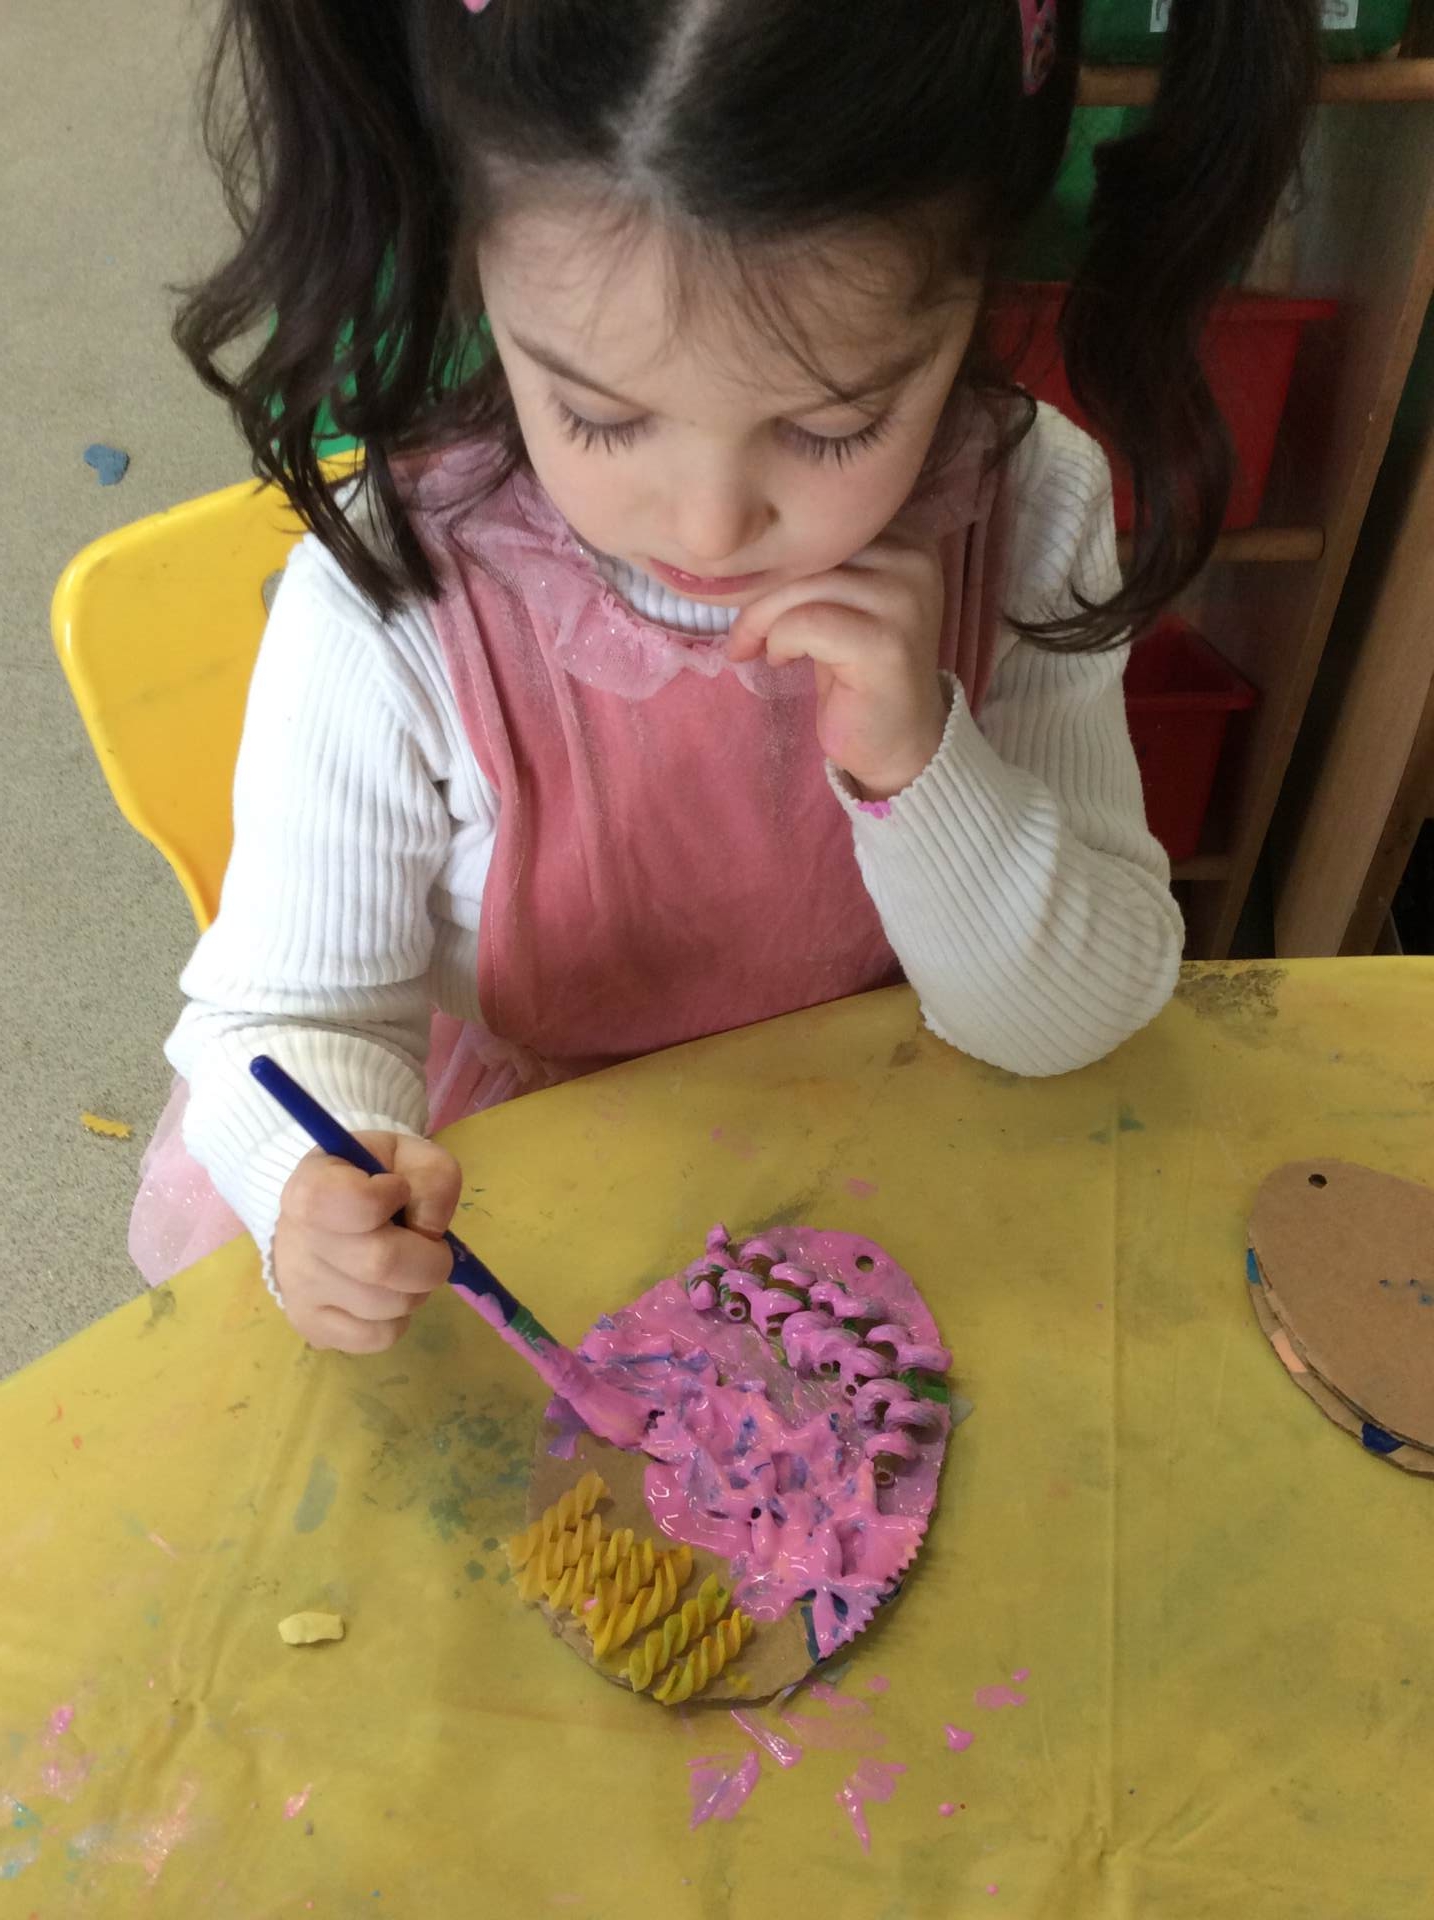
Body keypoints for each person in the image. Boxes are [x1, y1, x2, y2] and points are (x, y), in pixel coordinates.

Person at [136, 0, 1320, 1352]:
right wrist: (323, 1183)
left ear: (980, 291)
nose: (709, 529)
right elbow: (284, 1015)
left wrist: (922, 767)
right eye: (599, 414)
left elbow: (1072, 1021)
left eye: (833, 426)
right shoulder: (394, 595)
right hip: (530, 1214)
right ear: (479, 272)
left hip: (892, 1163)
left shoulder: (1026, 505)